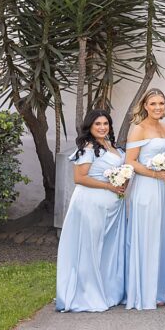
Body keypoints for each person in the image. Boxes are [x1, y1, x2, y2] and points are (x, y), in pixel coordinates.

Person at [56, 109, 128, 312]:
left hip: (113, 206)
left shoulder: (111, 146)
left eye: (105, 124)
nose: (102, 127)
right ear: (90, 126)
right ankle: (87, 294)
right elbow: (79, 178)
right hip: (91, 203)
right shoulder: (88, 148)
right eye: (98, 124)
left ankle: (107, 291)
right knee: (91, 248)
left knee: (108, 249)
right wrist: (109, 186)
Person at [124, 88, 165, 309]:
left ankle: (158, 289)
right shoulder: (139, 129)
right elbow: (130, 161)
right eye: (153, 103)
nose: (157, 107)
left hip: (164, 188)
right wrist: (155, 174)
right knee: (146, 236)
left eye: (161, 103)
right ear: (145, 106)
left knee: (161, 236)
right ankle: (143, 292)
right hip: (146, 187)